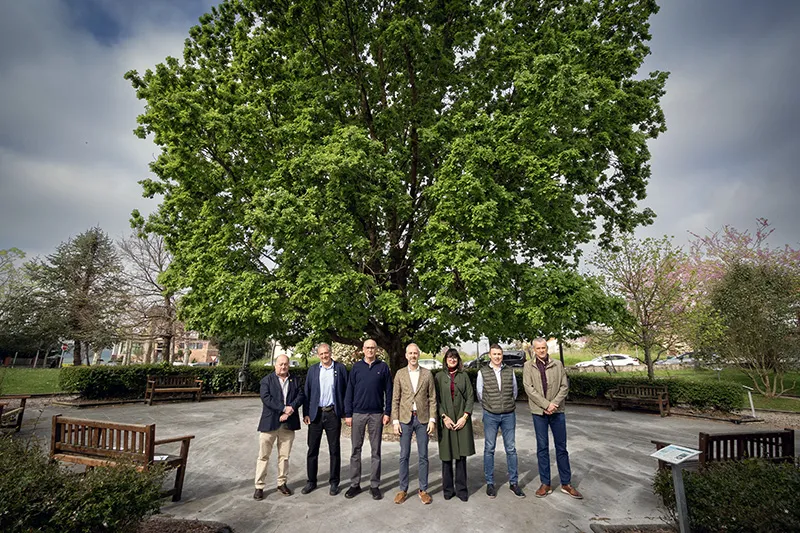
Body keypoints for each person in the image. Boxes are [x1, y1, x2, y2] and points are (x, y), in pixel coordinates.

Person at [522, 338, 583, 499]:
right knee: (542, 448)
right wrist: (545, 405)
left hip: (557, 411)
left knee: (561, 447)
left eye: (543, 348)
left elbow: (564, 386)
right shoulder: (528, 366)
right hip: (539, 412)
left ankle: (566, 483)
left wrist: (554, 404)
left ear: (547, 348)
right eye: (538, 348)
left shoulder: (557, 364)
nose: (541, 350)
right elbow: (529, 388)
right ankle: (545, 483)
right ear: (534, 350)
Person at [344, 339, 393, 500]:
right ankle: (355, 484)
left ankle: (374, 485)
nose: (370, 350)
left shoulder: (383, 367)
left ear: (376, 350)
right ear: (363, 350)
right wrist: (348, 414)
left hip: (376, 414)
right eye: (367, 348)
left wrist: (387, 412)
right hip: (358, 414)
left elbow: (389, 391)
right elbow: (349, 391)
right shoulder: (357, 368)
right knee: (355, 450)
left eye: (373, 348)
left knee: (375, 451)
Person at [254, 354, 305, 500]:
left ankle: (281, 483)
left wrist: (290, 410)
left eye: (286, 364)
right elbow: (266, 398)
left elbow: (301, 396)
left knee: (284, 456)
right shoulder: (266, 381)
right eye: (280, 364)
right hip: (270, 423)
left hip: (288, 424)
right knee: (263, 456)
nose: (283, 367)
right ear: (275, 365)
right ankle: (259, 486)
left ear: (289, 365)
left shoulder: (295, 380)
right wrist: (283, 409)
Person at [476, 344, 525, 498]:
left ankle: (514, 482)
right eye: (494, 354)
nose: (497, 357)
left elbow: (514, 391)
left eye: (499, 354)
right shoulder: (482, 372)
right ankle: (490, 483)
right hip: (490, 415)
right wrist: (490, 407)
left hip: (508, 415)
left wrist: (507, 404)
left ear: (502, 355)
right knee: (489, 448)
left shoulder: (509, 371)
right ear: (490, 355)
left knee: (511, 448)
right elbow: (480, 393)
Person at [391, 343, 436, 505]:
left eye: (415, 353)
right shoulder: (400, 374)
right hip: (404, 420)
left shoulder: (427, 374)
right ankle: (403, 489)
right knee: (404, 456)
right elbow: (395, 399)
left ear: (419, 354)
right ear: (406, 355)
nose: (413, 356)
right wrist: (395, 421)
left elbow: (432, 398)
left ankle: (423, 490)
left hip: (423, 419)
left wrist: (432, 419)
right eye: (410, 353)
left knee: (423, 456)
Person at [302, 343, 348, 496]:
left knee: (334, 450)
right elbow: (306, 393)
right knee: (312, 449)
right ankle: (311, 481)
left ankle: (334, 482)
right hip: (315, 415)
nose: (324, 356)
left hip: (332, 414)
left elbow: (346, 391)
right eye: (321, 354)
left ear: (330, 352)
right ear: (318, 355)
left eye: (326, 353)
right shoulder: (313, 370)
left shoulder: (340, 369)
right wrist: (306, 413)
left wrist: (346, 413)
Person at [435, 348, 475, 502]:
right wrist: (444, 416)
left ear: (458, 360)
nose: (452, 360)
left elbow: (470, 397)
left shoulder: (464, 376)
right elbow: (435, 399)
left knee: (460, 456)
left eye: (455, 358)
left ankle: (462, 489)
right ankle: (448, 489)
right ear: (445, 359)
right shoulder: (438, 377)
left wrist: (465, 417)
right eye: (449, 357)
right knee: (446, 456)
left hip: (461, 419)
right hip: (446, 420)